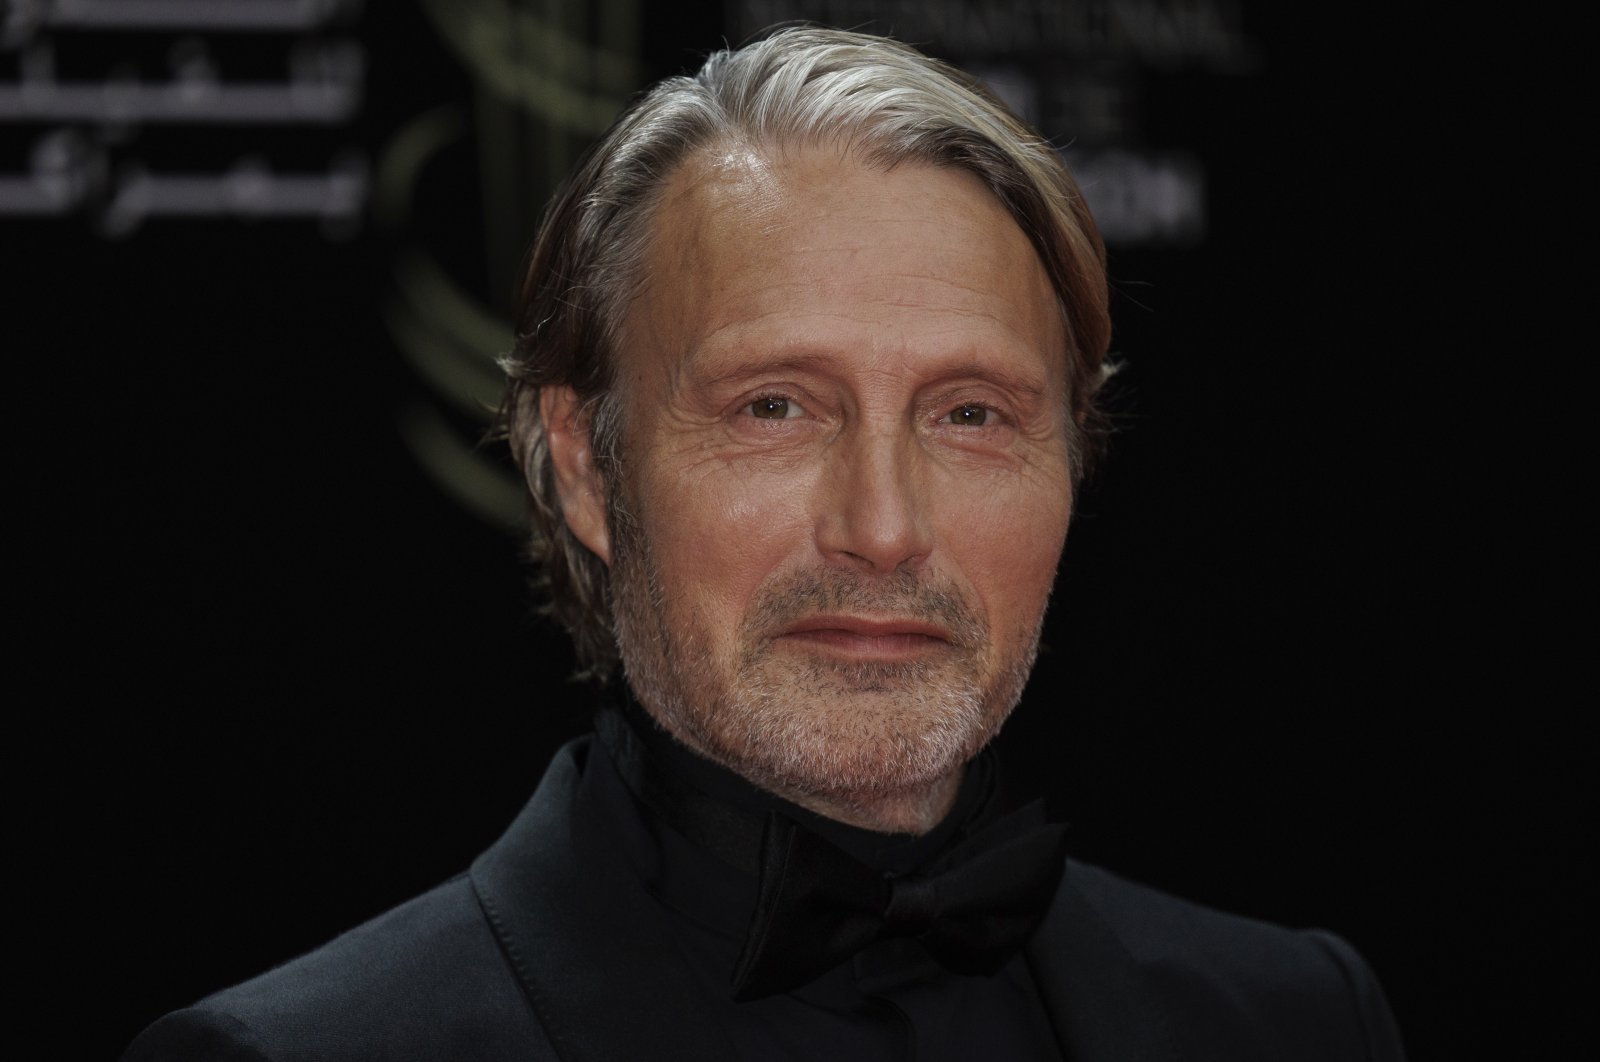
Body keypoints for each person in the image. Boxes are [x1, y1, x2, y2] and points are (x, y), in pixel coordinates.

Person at [125, 27, 1406, 1061]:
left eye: (970, 415)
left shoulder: (1293, 1019)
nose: (883, 529)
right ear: (584, 469)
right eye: (774, 408)